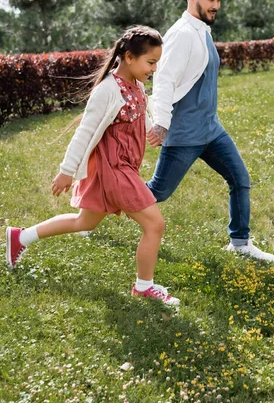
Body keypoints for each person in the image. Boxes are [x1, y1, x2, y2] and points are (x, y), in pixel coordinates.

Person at [6, 26, 180, 306]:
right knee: (154, 224)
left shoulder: (136, 84)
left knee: (83, 221)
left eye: (157, 62)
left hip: (118, 169)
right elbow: (85, 133)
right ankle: (144, 286)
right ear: (129, 57)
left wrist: (149, 130)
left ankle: (20, 237)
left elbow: (137, 113)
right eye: (151, 62)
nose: (155, 68)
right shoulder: (108, 90)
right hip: (114, 169)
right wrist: (66, 171)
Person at [146, 0, 274, 262]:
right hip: (185, 133)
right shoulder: (181, 34)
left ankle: (240, 243)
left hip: (210, 129)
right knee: (156, 193)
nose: (216, 5)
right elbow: (164, 79)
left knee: (239, 177)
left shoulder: (202, 29)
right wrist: (162, 122)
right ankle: (94, 206)